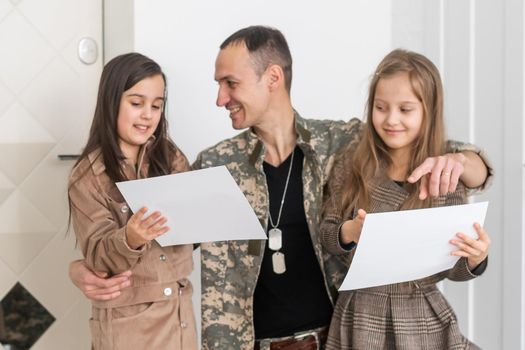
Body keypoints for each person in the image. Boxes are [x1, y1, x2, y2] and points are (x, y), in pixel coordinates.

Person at [69, 27, 491, 350]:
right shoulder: (214, 165)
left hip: (337, 338)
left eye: (229, 83)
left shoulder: (342, 144)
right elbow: (160, 242)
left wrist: (463, 163)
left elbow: (433, 147)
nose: (219, 99)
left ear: (272, 78)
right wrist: (81, 269)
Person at [320, 49, 490, 350]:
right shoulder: (352, 162)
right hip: (359, 316)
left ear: (428, 111)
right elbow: (327, 234)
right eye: (381, 107)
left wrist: (475, 258)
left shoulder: (444, 172)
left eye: (405, 109)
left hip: (422, 317)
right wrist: (351, 232)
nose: (391, 120)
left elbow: (454, 268)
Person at [68, 53, 197, 349]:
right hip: (128, 326)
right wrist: (131, 237)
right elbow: (98, 257)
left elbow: (192, 228)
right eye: (136, 103)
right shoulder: (88, 176)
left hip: (179, 317)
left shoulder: (171, 157)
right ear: (111, 102)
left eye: (156, 105)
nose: (148, 115)